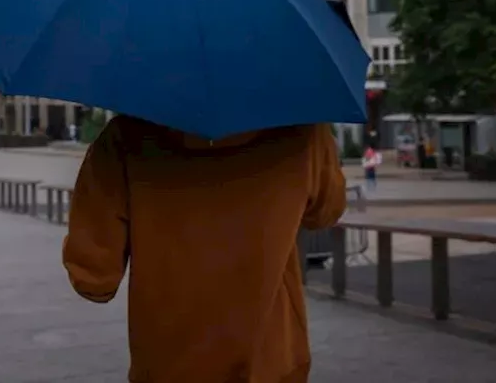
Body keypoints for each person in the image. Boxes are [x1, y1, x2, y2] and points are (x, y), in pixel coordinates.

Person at [62, 116, 347, 382]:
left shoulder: (127, 135)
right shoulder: (303, 128)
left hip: (166, 365)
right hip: (272, 362)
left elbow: (94, 277)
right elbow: (325, 212)